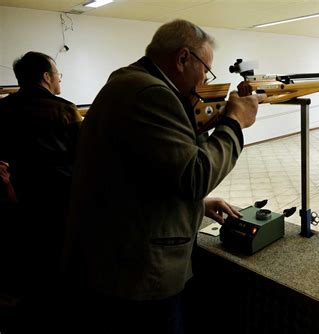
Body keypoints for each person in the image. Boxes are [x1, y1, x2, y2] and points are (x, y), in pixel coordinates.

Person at [63, 19, 264, 333]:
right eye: (205, 69)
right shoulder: (151, 93)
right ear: (183, 58)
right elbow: (195, 175)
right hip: (138, 275)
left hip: (112, 261)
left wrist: (198, 205)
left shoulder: (128, 82)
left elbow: (143, 174)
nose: (204, 80)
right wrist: (235, 123)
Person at [0, 51, 82, 331]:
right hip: (61, 199)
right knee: (58, 262)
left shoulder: (4, 109)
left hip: (20, 199)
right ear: (46, 77)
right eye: (57, 73)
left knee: (29, 261)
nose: (59, 78)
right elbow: (83, 156)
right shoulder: (66, 110)